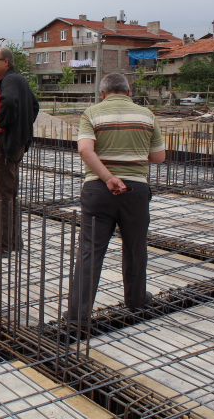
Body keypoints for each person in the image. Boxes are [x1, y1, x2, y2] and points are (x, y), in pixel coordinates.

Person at [65, 73, 166, 325]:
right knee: (135, 247)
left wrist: (108, 177)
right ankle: (136, 298)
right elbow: (159, 157)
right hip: (136, 192)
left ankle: (78, 314)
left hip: (98, 190)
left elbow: (85, 150)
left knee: (90, 250)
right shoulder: (147, 115)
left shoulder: (92, 113)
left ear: (103, 94)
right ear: (128, 92)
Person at [0, 47, 39, 256]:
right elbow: (34, 106)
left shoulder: (9, 81)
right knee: (10, 193)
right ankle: (13, 242)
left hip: (5, 143)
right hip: (14, 142)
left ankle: (3, 245)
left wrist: (6, 126)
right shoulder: (18, 79)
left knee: (1, 194)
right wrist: (22, 129)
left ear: (5, 62)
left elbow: (11, 103)